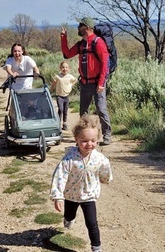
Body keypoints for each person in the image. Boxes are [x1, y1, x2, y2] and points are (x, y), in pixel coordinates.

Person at [49, 114, 113, 252]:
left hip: (89, 196)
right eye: (84, 141)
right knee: (69, 215)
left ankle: (96, 247)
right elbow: (60, 176)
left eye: (93, 140)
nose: (89, 144)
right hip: (71, 195)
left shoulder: (100, 159)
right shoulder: (70, 158)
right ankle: (68, 220)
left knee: (92, 223)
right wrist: (58, 196)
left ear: (97, 140)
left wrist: (105, 179)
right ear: (76, 140)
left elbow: (105, 172)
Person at [61, 17, 112, 145]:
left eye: (80, 25)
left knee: (101, 109)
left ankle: (107, 136)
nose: (78, 27)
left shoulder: (98, 43)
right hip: (85, 82)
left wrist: (101, 83)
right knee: (83, 111)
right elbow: (67, 54)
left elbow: (105, 64)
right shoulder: (81, 44)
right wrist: (63, 38)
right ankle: (83, 135)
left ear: (87, 27)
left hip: (97, 83)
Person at [50, 61, 77, 131]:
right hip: (59, 96)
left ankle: (64, 123)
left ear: (68, 68)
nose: (65, 69)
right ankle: (58, 123)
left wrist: (71, 85)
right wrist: (49, 91)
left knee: (65, 110)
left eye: (66, 67)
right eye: (63, 67)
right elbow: (53, 84)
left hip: (66, 96)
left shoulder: (70, 76)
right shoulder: (58, 76)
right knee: (61, 109)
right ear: (60, 68)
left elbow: (75, 80)